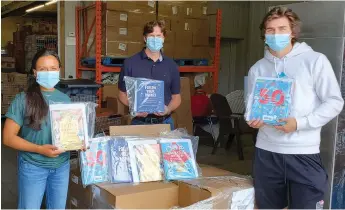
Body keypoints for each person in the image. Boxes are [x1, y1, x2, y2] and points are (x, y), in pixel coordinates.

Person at [246, 6, 344, 209]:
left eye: (282, 29)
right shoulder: (258, 68)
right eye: (270, 30)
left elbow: (335, 102)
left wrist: (300, 123)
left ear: (293, 32)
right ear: (264, 34)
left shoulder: (315, 61)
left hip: (303, 152)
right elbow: (251, 104)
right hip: (266, 152)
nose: (276, 34)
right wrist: (251, 118)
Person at [3, 49, 71, 209]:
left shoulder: (65, 99)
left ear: (59, 70)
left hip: (61, 166)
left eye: (53, 68)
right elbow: (8, 137)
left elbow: (70, 133)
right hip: (33, 166)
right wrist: (39, 149)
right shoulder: (23, 99)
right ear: (35, 72)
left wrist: (79, 142)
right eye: (43, 69)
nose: (49, 73)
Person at [118, 20, 181, 129]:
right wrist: (134, 107)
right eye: (151, 36)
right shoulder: (130, 63)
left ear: (163, 38)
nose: (155, 39)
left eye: (158, 35)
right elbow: (121, 94)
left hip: (165, 123)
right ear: (145, 38)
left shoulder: (172, 65)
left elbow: (176, 97)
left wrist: (168, 109)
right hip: (139, 123)